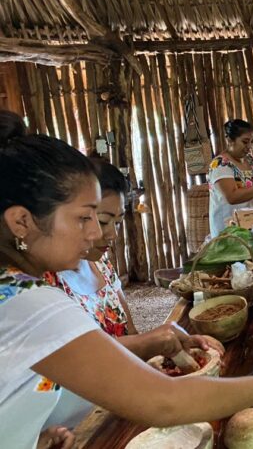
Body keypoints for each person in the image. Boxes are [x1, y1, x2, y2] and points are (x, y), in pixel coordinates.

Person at [0, 119, 253, 449]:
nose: (95, 233)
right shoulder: (28, 301)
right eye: (83, 218)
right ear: (21, 221)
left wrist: (27, 435)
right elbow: (163, 401)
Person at [45, 156, 224, 429]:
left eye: (115, 222)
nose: (110, 235)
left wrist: (165, 348)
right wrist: (151, 343)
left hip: (121, 405)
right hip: (76, 426)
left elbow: (131, 335)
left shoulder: (99, 263)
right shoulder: (43, 285)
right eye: (99, 220)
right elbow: (68, 365)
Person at [209, 119, 253, 237]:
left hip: (252, 226)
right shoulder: (221, 164)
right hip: (229, 232)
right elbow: (232, 197)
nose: (249, 147)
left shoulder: (250, 159)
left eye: (252, 142)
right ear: (230, 140)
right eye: (245, 142)